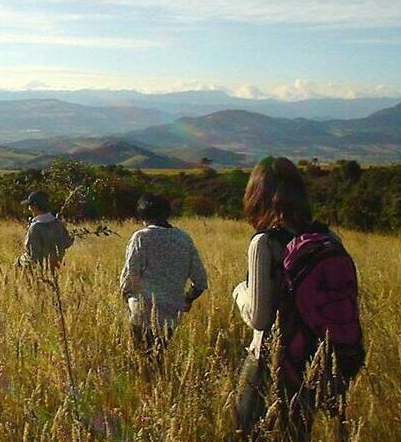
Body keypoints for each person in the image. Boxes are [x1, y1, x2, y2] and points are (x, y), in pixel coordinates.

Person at [233, 157, 363, 441]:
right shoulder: (328, 237)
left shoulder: (264, 242)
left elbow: (260, 318)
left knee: (246, 431)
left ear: (257, 195)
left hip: (269, 361)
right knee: (297, 432)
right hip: (314, 360)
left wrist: (239, 292)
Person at [119, 193, 208, 368]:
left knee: (143, 362)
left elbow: (130, 275)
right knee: (159, 359)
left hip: (143, 311)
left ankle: (148, 393)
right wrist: (186, 300)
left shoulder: (141, 237)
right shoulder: (184, 238)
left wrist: (127, 297)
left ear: (143, 215)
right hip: (171, 313)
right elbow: (200, 281)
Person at [16, 191, 74, 270]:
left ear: (35, 206)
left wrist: (19, 260)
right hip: (57, 268)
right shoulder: (58, 223)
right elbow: (67, 243)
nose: (29, 209)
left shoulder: (35, 228)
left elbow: (33, 257)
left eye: (30, 206)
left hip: (40, 272)